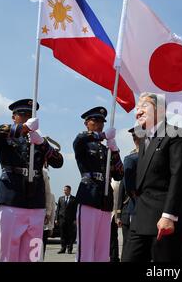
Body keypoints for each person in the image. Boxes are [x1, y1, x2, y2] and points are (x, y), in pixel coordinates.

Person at [0, 99, 63, 262]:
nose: (27, 117)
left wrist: (43, 144)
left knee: (33, 253)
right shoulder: (6, 138)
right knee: (9, 252)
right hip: (12, 199)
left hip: (35, 202)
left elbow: (58, 162)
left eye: (30, 115)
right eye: (23, 114)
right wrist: (24, 128)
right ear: (13, 117)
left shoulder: (39, 141)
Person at [121, 92, 182, 262]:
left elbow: (178, 177)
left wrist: (169, 216)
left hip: (162, 218)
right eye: (137, 108)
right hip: (140, 218)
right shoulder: (145, 140)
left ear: (160, 110)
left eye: (144, 106)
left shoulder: (174, 134)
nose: (138, 111)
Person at [74, 106, 124, 262]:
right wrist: (101, 135)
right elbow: (80, 139)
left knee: (103, 249)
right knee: (86, 248)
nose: (99, 123)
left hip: (105, 199)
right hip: (89, 195)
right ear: (86, 123)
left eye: (102, 121)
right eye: (95, 120)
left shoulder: (106, 149)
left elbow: (119, 174)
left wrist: (115, 151)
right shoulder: (83, 144)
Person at [116, 127, 140, 260]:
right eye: (134, 137)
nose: (135, 139)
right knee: (129, 244)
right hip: (131, 206)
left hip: (140, 206)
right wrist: (119, 213)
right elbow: (124, 187)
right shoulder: (131, 158)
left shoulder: (149, 155)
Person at [56, 185, 77, 254]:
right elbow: (58, 210)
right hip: (62, 220)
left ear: (69, 190)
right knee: (62, 234)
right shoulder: (60, 198)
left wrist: (75, 220)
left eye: (66, 190)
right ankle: (63, 248)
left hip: (70, 220)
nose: (65, 191)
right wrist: (56, 219)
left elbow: (76, 210)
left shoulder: (74, 199)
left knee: (70, 235)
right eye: (64, 190)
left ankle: (69, 249)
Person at [42, 168, 55, 260]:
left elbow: (53, 212)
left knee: (42, 246)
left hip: (45, 226)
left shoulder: (51, 196)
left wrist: (51, 227)